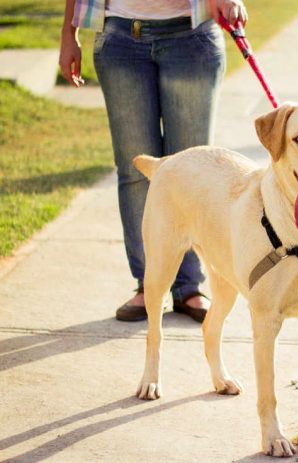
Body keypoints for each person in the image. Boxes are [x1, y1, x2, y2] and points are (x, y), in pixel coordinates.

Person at [58, 0, 247, 322]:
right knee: (135, 170)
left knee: (195, 174)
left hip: (190, 37)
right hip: (119, 37)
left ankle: (188, 286)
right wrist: (68, 33)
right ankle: (149, 284)